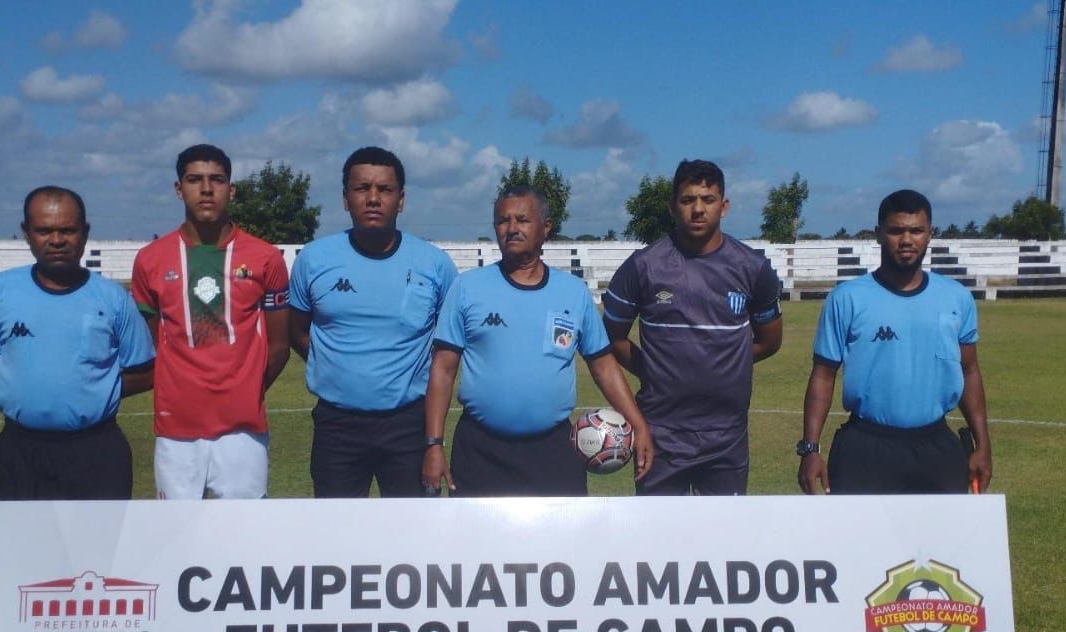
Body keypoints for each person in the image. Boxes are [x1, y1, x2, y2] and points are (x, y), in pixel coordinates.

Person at [422, 187, 653, 497]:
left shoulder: (572, 292)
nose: (512, 228)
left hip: (553, 449)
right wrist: (434, 444)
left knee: (561, 542)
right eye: (503, 220)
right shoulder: (467, 288)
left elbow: (602, 365)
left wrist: (638, 423)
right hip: (479, 450)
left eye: (522, 219)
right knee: (478, 545)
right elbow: (443, 370)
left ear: (546, 227)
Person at [0, 186, 154, 502]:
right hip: (20, 451)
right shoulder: (1, 291)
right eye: (44, 230)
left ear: (84, 233)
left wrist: (91, 388)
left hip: (97, 451)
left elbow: (147, 371)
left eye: (67, 230)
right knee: (25, 550)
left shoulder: (112, 297)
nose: (57, 240)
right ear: (26, 233)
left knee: (98, 551)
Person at [602, 159, 783, 496]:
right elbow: (611, 338)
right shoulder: (643, 266)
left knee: (725, 541)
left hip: (726, 435)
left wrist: (725, 363)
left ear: (724, 206)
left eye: (708, 199)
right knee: (657, 543)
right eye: (688, 200)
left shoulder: (753, 268)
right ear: (673, 205)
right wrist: (652, 370)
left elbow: (770, 341)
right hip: (660, 432)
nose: (698, 209)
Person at [796, 188, 992, 495]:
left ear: (930, 234)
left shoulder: (956, 297)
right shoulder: (847, 298)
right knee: (860, 542)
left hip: (936, 445)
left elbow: (969, 371)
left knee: (936, 543)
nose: (906, 240)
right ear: (878, 234)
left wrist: (983, 444)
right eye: (896, 230)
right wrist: (810, 449)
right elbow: (823, 375)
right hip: (865, 447)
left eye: (916, 230)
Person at [288, 146, 457, 497]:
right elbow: (296, 329)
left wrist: (433, 439)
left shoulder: (434, 265)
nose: (373, 198)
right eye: (362, 188)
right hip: (337, 425)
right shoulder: (314, 260)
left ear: (402, 199)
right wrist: (338, 368)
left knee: (416, 537)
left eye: (385, 189)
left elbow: (448, 347)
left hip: (410, 424)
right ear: (346, 198)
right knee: (337, 540)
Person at [131, 144, 290, 499]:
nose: (206, 189)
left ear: (231, 190)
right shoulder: (150, 260)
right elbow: (154, 343)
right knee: (177, 540)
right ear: (178, 189)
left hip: (242, 432)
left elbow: (279, 347)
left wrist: (245, 390)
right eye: (195, 180)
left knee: (243, 542)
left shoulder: (265, 258)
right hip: (176, 430)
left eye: (216, 180)